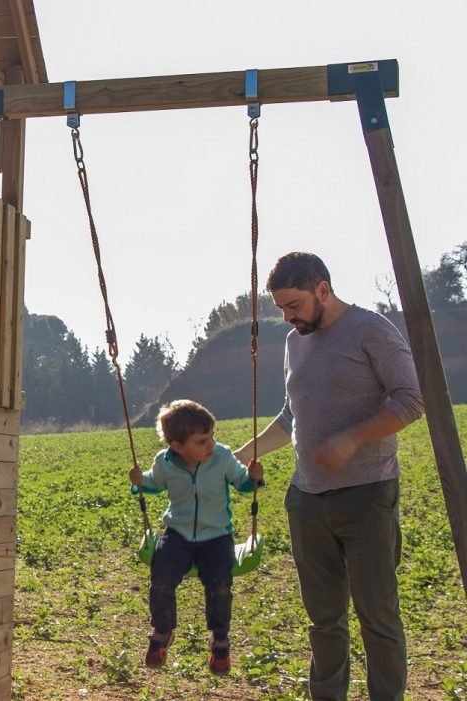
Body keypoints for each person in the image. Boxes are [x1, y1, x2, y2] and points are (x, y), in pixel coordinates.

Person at [235, 252, 423, 701]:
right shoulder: (294, 341)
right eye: (280, 308)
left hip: (367, 495)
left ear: (322, 289)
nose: (287, 317)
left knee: (377, 616)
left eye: (294, 305)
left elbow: (411, 400)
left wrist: (352, 439)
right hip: (308, 501)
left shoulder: (371, 331)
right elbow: (290, 416)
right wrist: (242, 454)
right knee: (323, 619)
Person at [129, 399, 264, 675]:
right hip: (177, 533)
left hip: (216, 536)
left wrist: (254, 478)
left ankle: (220, 638)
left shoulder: (223, 457)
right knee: (162, 576)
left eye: (211, 437)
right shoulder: (164, 462)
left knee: (220, 582)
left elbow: (241, 482)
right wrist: (139, 481)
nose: (210, 444)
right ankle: (162, 631)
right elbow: (153, 483)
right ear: (177, 446)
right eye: (201, 441)